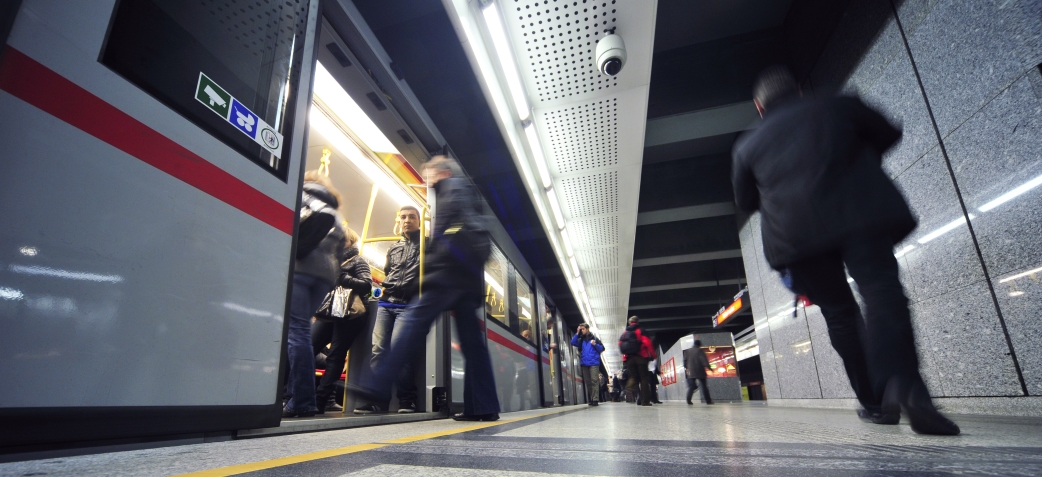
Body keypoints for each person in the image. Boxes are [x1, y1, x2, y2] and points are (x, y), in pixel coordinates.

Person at [731, 66, 959, 435]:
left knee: (839, 313)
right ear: (799, 92)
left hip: (796, 238)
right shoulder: (839, 105)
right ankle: (909, 390)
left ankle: (874, 402)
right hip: (859, 215)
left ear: (759, 107)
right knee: (882, 292)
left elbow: (745, 199)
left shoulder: (747, 146)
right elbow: (887, 132)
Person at [351, 156, 500, 421]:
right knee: (473, 346)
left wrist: (428, 271)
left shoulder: (451, 189)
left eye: (428, 175)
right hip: (467, 279)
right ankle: (484, 405)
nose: (426, 180)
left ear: (441, 172)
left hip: (448, 274)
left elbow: (446, 232)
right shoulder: (466, 191)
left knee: (413, 324)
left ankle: (376, 386)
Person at [284, 171, 346, 417]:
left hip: (300, 267)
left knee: (296, 332)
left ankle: (302, 401)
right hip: (325, 277)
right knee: (301, 333)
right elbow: (341, 253)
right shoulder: (336, 213)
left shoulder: (300, 195)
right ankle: (298, 399)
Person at [355, 206, 423, 415]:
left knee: (400, 351)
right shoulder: (394, 248)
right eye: (403, 217)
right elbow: (389, 272)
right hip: (387, 303)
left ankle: (407, 400)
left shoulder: (427, 246)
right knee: (378, 350)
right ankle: (377, 400)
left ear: (419, 221)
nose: (407, 220)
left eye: (412, 217)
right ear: (398, 221)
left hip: (409, 304)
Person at [312, 229, 372, 414]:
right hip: (330, 312)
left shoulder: (358, 260)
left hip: (350, 314)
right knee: (308, 346)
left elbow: (367, 284)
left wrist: (344, 278)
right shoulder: (330, 261)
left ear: (350, 241)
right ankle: (294, 395)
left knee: (336, 355)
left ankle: (320, 401)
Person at [619, 316, 653, 406]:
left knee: (634, 377)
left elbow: (620, 344)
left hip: (629, 359)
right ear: (637, 322)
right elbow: (648, 343)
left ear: (629, 323)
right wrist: (653, 355)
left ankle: (629, 387)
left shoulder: (625, 333)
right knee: (644, 379)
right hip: (641, 357)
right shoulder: (641, 330)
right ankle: (645, 401)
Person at [571, 323, 605, 406]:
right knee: (588, 382)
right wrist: (577, 332)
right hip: (584, 363)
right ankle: (592, 397)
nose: (582, 331)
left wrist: (595, 344)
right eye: (581, 329)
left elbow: (602, 348)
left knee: (594, 381)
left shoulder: (594, 338)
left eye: (583, 329)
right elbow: (572, 342)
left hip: (594, 363)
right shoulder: (581, 340)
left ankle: (595, 399)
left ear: (587, 329)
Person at [685, 340, 713, 405]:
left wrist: (687, 367)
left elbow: (685, 360)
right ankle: (708, 401)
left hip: (691, 371)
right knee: (704, 386)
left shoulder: (688, 351)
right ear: (699, 345)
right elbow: (704, 360)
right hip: (700, 370)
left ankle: (688, 400)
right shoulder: (700, 350)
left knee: (691, 386)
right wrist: (709, 368)